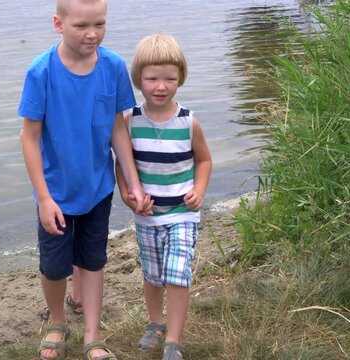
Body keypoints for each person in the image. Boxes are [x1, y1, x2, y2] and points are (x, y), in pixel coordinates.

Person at [18, 0, 150, 359]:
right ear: (58, 24)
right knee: (54, 265)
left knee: (93, 260)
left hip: (98, 187)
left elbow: (117, 128)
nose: (92, 34)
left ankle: (92, 334)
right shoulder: (41, 71)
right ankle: (57, 323)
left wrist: (132, 181)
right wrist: (44, 198)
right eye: (81, 26)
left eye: (100, 24)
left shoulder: (113, 66)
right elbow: (29, 137)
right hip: (56, 190)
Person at [115, 34, 212, 360]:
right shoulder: (130, 121)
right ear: (138, 79)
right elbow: (122, 163)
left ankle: (173, 339)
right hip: (147, 215)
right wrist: (129, 195)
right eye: (152, 78)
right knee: (152, 274)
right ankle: (155, 323)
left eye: (169, 78)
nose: (160, 86)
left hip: (182, 212)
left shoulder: (188, 121)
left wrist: (198, 189)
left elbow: (204, 160)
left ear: (180, 78)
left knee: (177, 272)